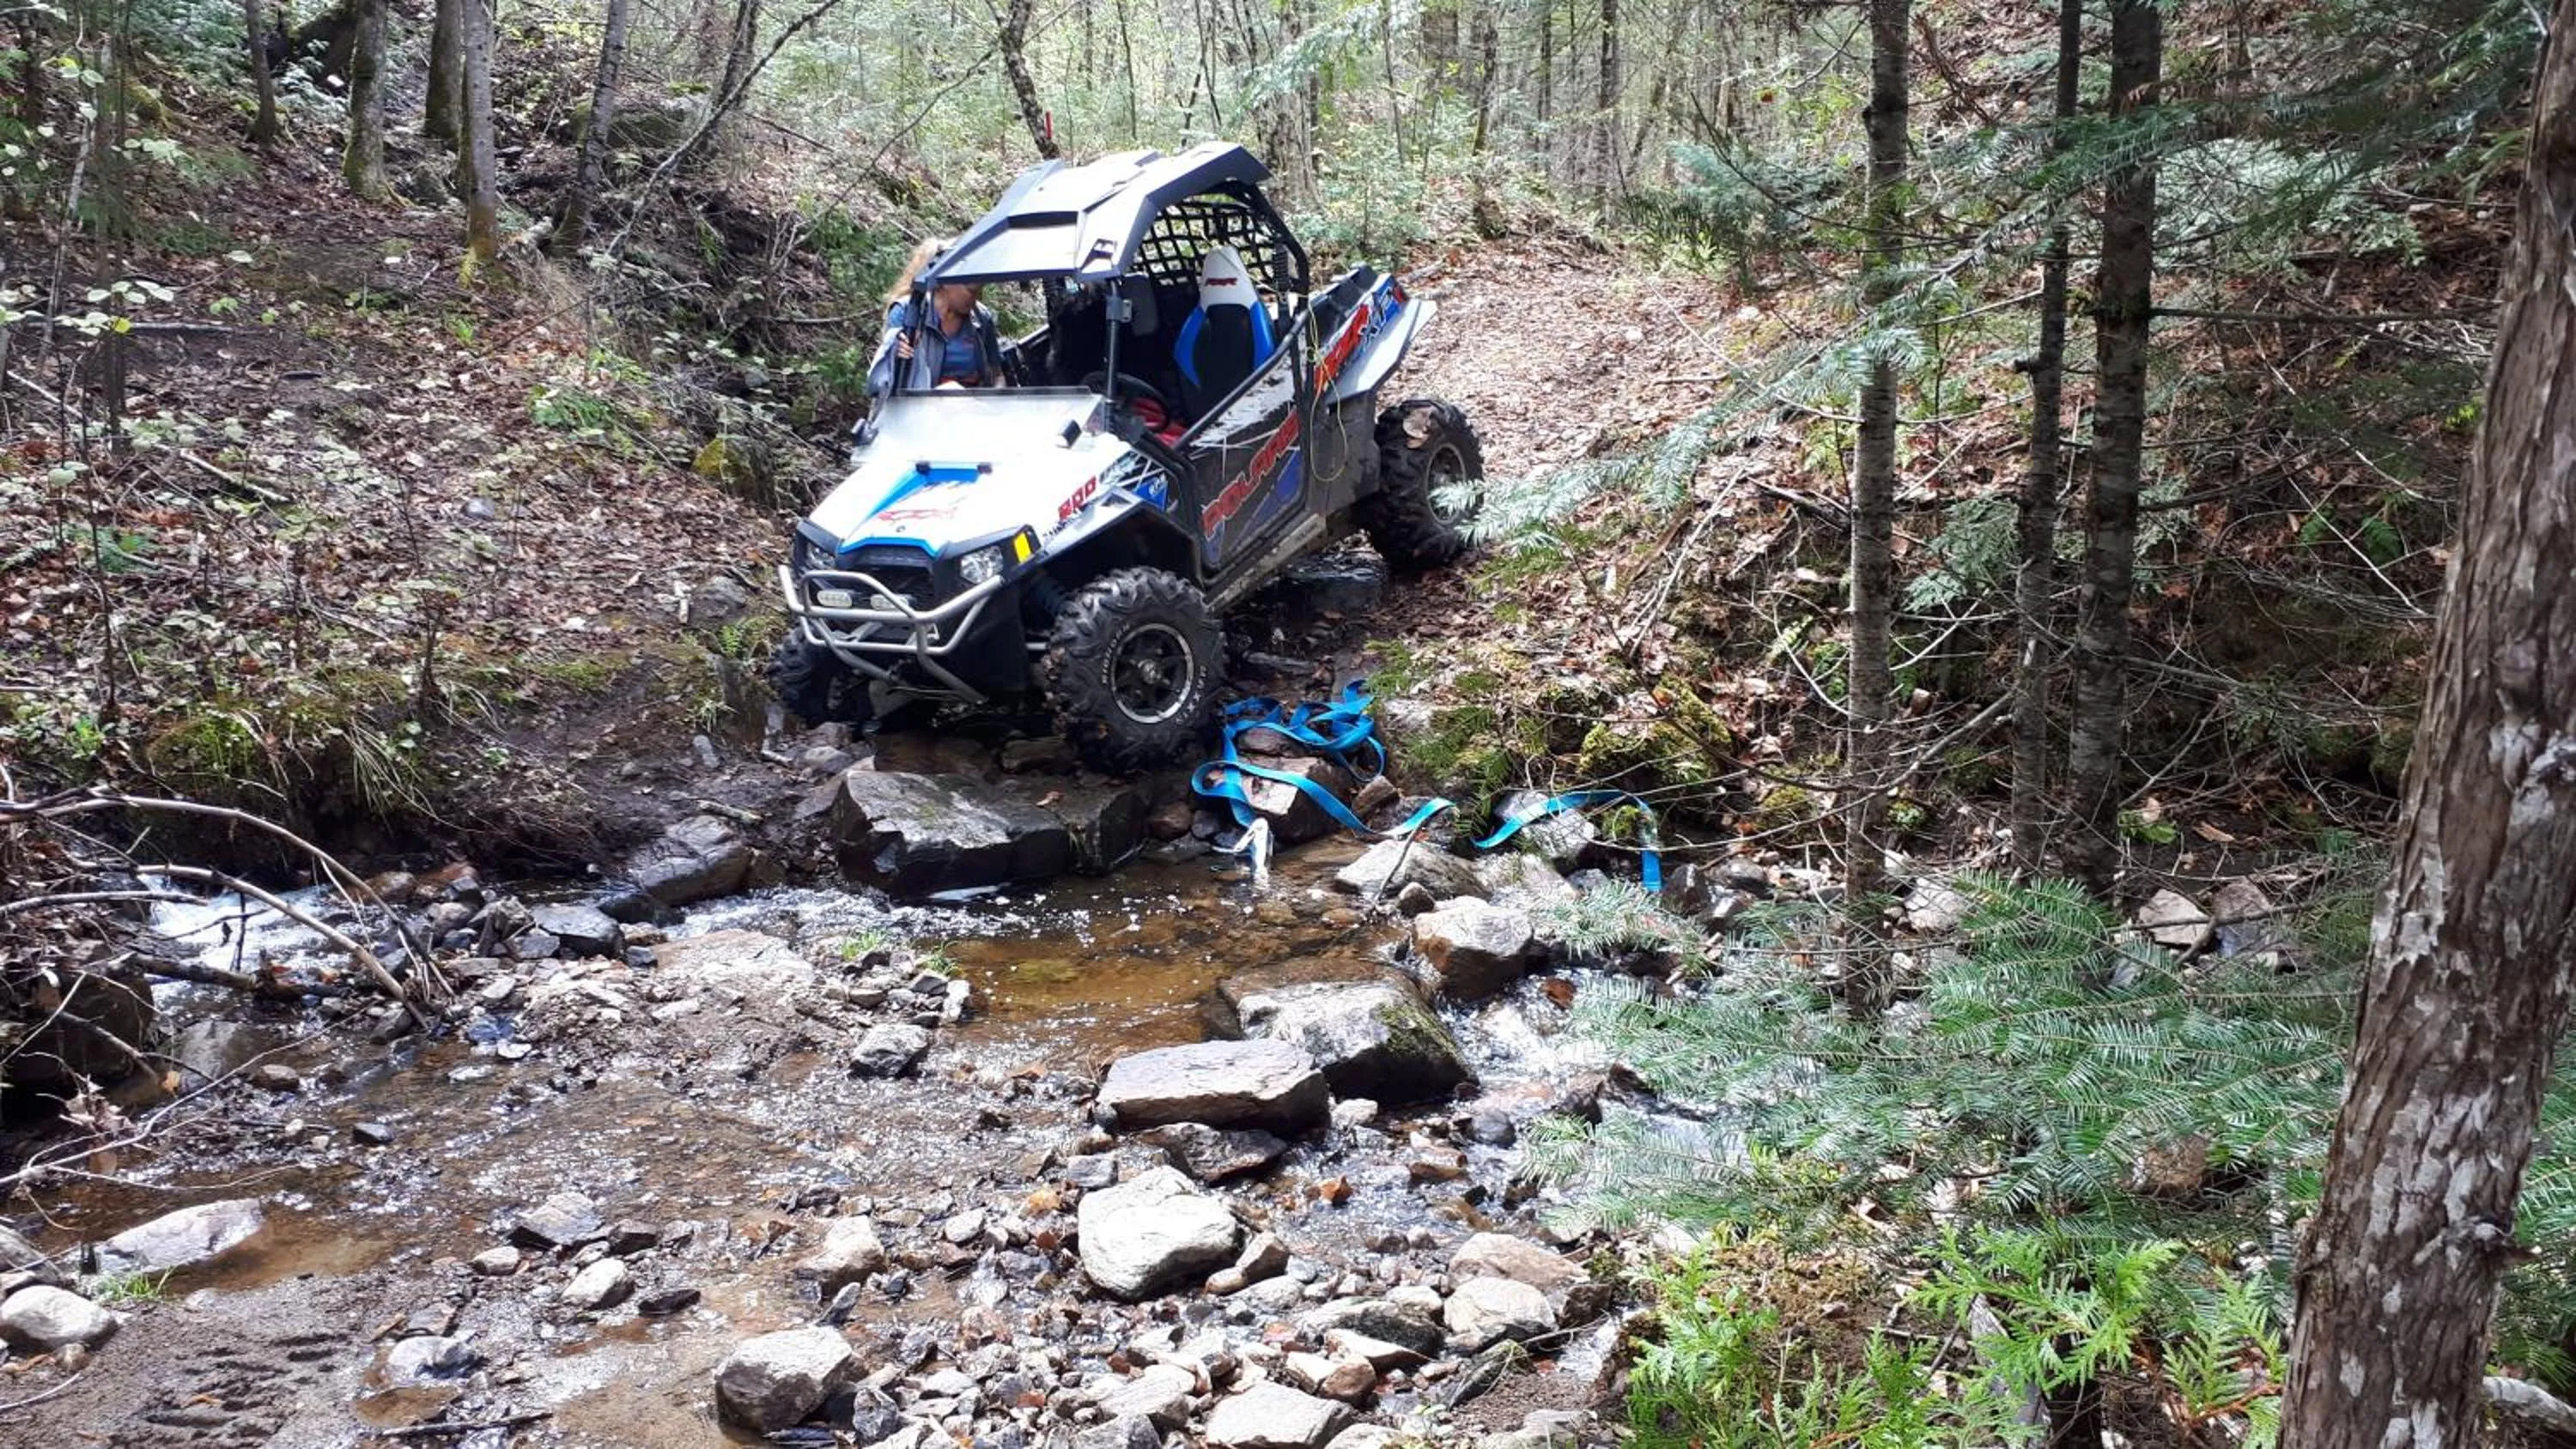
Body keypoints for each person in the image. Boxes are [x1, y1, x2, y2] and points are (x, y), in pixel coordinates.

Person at [865, 237, 1009, 395]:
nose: (977, 297)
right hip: (919, 413)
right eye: (971, 290)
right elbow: (886, 383)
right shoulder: (907, 314)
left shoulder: (981, 318)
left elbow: (998, 376)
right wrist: (893, 350)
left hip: (972, 413)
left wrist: (995, 401)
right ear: (945, 280)